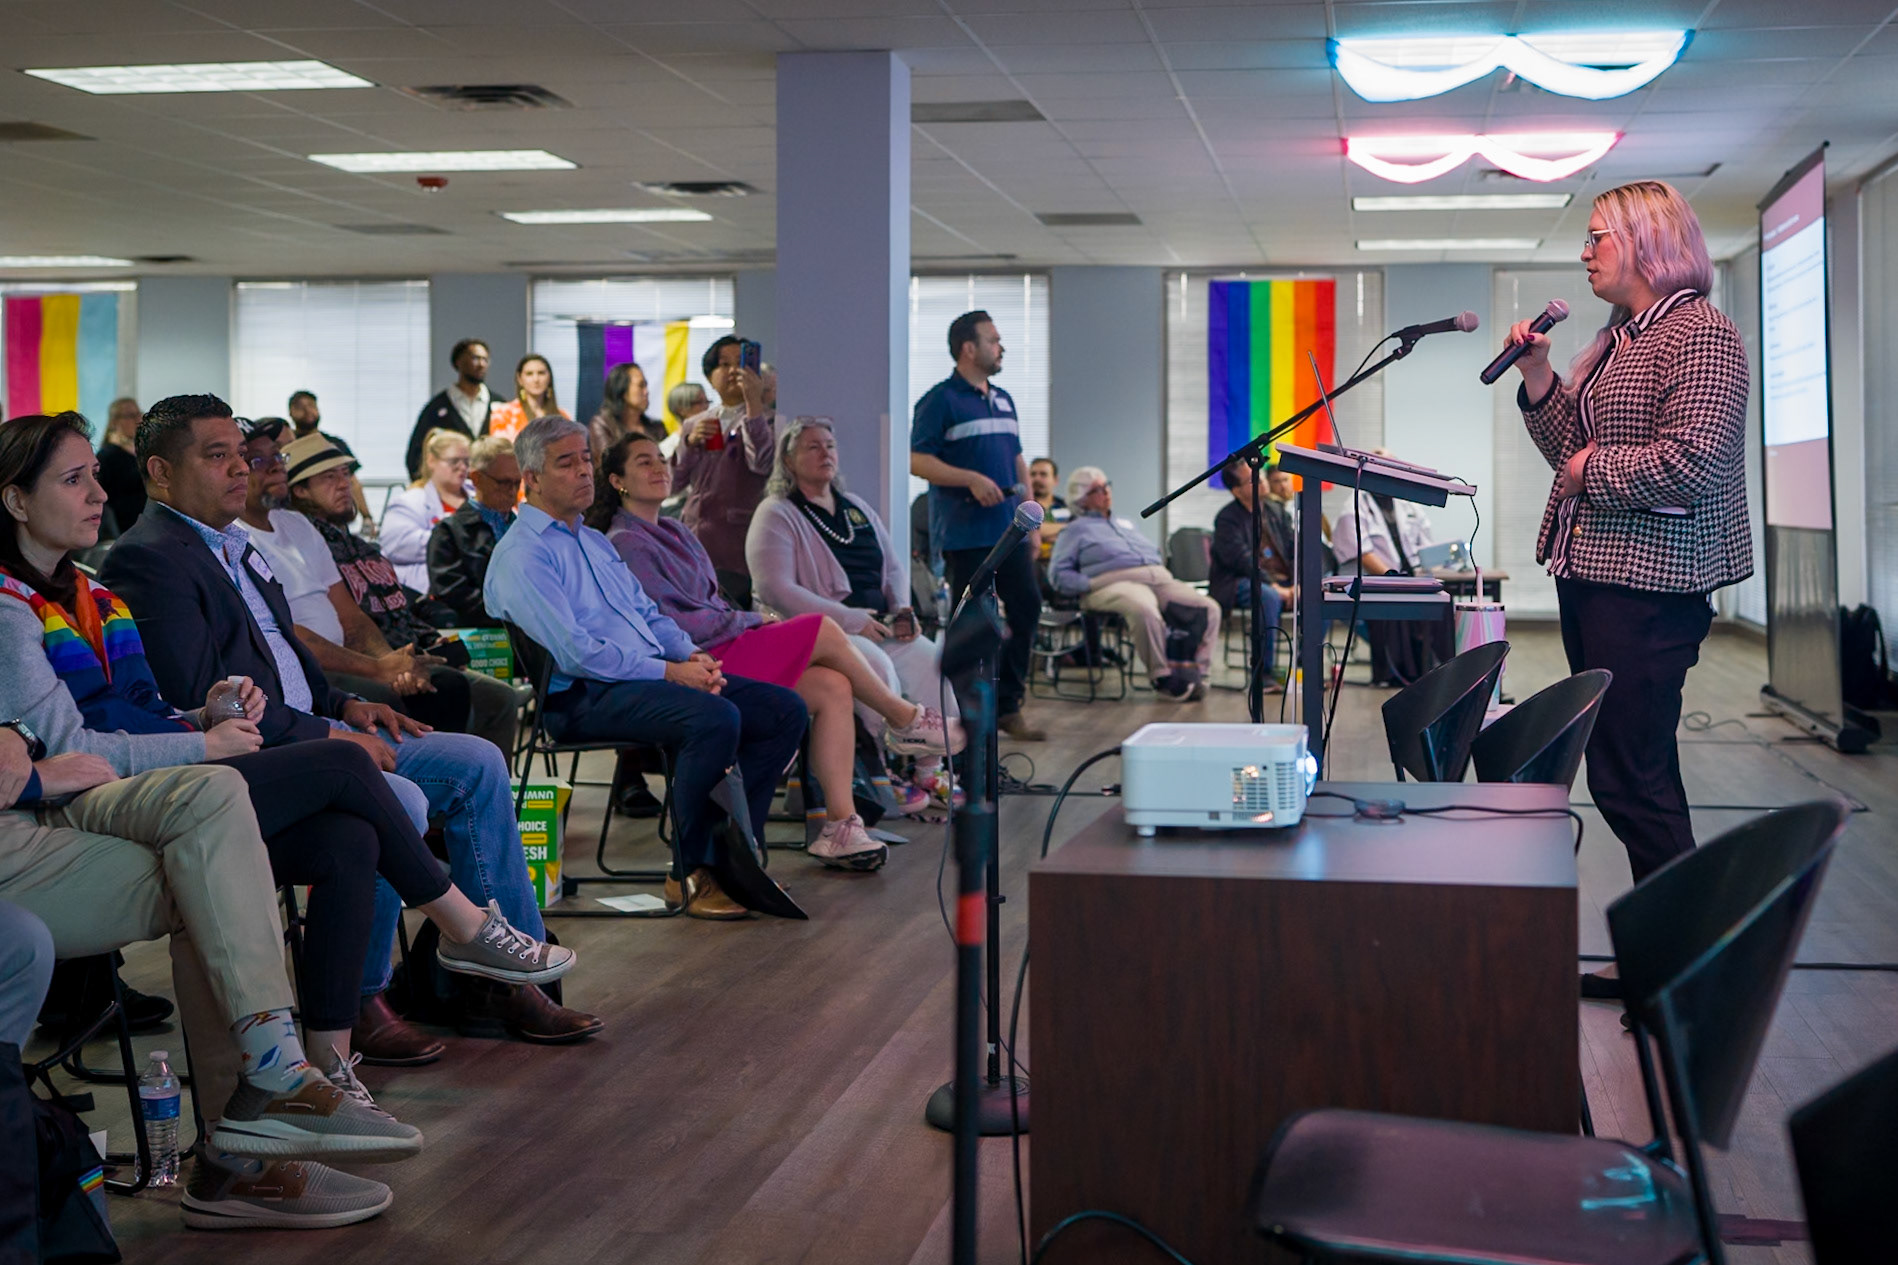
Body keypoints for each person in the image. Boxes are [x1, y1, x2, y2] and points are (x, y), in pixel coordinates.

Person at [0, 408, 573, 1088]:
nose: (99, 493)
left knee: (352, 836)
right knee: (348, 764)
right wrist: (207, 741)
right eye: (74, 480)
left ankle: (333, 1059)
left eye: (95, 474)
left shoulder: (96, 591)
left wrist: (210, 712)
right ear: (16, 500)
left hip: (175, 764)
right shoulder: (35, 598)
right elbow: (73, 752)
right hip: (113, 797)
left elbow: (151, 706)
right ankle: (464, 929)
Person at [0, 734, 410, 1230]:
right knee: (213, 852)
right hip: (32, 811)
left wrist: (21, 738)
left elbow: (48, 727)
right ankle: (250, 1131)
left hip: (40, 807)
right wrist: (37, 771)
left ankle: (258, 1106)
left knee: (216, 815)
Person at [1503, 180, 1749, 997]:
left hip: (1651, 589)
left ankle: (1682, 963)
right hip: (1599, 578)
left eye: (1597, 236)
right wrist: (1540, 374)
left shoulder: (1701, 334)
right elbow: (1569, 452)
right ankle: (1670, 954)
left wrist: (1589, 468)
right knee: (1627, 771)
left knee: (1630, 776)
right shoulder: (1622, 338)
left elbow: (1693, 462)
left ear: (1647, 241)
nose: (1585, 253)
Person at [485, 416, 809, 920]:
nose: (583, 471)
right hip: (580, 698)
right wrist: (669, 673)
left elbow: (648, 615)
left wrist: (691, 656)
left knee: (783, 709)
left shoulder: (592, 541)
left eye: (586, 459)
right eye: (566, 463)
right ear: (532, 478)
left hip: (638, 678)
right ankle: (689, 871)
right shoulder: (524, 555)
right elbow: (576, 654)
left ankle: (736, 858)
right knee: (713, 717)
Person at [597, 431, 961, 861]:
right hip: (697, 659)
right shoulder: (626, 542)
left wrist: (746, 622)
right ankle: (904, 720)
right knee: (823, 628)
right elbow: (675, 623)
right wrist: (751, 620)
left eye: (661, 458)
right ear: (617, 480)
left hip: (727, 640)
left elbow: (712, 602)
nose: (659, 467)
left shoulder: (675, 529)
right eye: (644, 462)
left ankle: (840, 826)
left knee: (833, 687)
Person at [748, 417, 965, 806]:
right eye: (813, 446)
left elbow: (893, 567)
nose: (825, 453)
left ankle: (928, 769)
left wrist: (901, 609)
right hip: (824, 633)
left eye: (830, 445)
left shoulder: (856, 508)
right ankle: (880, 773)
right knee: (875, 668)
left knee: (933, 663)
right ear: (788, 460)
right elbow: (774, 589)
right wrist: (849, 619)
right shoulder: (776, 512)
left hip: (878, 625)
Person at [282, 431, 524, 754]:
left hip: (408, 649)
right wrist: (389, 665)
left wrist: (430, 637)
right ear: (299, 489)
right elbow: (348, 624)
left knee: (499, 696)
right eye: (329, 477)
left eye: (345, 474)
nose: (344, 484)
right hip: (370, 660)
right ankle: (448, 777)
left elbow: (397, 604)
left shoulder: (360, 546)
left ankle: (490, 783)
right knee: (449, 688)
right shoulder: (305, 546)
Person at [910, 310, 1044, 740]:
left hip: (1009, 531)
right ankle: (965, 719)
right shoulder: (939, 400)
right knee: (972, 628)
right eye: (993, 340)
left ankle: (1007, 706)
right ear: (969, 348)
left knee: (1027, 608)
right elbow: (916, 460)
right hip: (966, 536)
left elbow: (1018, 459)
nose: (1001, 347)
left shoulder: (1003, 398)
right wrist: (969, 478)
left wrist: (1032, 518)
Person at [1049, 466, 1222, 700]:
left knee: (1209, 608)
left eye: (1106, 486)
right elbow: (1058, 575)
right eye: (1096, 490)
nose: (1106, 492)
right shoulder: (1074, 530)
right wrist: (1090, 583)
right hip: (1110, 585)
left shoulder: (1125, 522)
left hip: (1158, 578)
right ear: (1081, 499)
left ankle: (1196, 673)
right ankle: (1162, 676)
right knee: (1144, 609)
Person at [1330, 453, 1451, 687]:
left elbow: (1424, 544)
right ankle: (1399, 675)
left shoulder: (1408, 504)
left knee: (1443, 601)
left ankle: (1441, 669)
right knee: (1397, 600)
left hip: (1409, 575)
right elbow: (1361, 552)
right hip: (1374, 579)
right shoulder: (1354, 505)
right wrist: (1393, 579)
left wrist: (1434, 565)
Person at [671, 336, 774, 583]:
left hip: (739, 538)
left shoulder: (770, 420)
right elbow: (673, 483)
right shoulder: (695, 423)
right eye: (724, 364)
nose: (733, 371)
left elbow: (762, 463)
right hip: (695, 533)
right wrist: (689, 444)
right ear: (710, 377)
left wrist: (753, 403)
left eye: (740, 363)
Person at [1210, 459, 1291, 687]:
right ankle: (1263, 674)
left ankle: (1305, 667)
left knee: (1318, 591)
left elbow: (1294, 548)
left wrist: (1299, 582)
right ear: (1236, 491)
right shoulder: (1227, 519)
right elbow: (1242, 560)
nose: (1261, 481)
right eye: (1252, 480)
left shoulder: (1276, 511)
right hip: (1239, 582)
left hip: (1282, 581)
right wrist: (1274, 586)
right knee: (1268, 596)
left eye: (1260, 476)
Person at [427, 435, 518, 629]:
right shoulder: (448, 533)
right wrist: (512, 614)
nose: (512, 491)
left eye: (517, 483)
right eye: (503, 483)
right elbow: (453, 593)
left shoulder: (525, 529)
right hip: (479, 635)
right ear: (477, 478)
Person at [381, 428, 471, 592]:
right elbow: (397, 546)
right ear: (431, 461)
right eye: (454, 461)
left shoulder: (480, 496)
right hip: (428, 593)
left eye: (467, 461)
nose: (463, 467)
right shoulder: (408, 502)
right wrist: (462, 541)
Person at [285, 393, 374, 535]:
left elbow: (353, 482)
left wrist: (367, 516)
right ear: (291, 412)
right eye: (301, 407)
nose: (308, 411)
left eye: (311, 406)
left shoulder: (333, 444)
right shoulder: (288, 448)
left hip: (336, 526)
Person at [408, 338, 493, 478]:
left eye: (485, 359)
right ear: (458, 362)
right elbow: (415, 455)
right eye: (475, 358)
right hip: (448, 486)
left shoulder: (499, 406)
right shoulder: (437, 408)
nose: (481, 364)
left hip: (491, 486)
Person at [589, 361, 664, 465]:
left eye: (646, 385)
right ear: (622, 389)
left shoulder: (657, 427)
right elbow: (607, 465)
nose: (646, 391)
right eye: (641, 385)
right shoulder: (602, 425)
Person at [485, 353, 569, 445]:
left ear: (549, 378)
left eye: (541, 373)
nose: (536, 379)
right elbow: (500, 450)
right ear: (520, 379)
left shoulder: (563, 416)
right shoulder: (503, 414)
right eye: (529, 374)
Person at [94, 395, 145, 536]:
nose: (137, 420)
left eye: (138, 414)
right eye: (130, 416)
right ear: (115, 421)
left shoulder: (142, 451)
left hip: (144, 524)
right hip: (123, 529)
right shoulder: (107, 456)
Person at [1026, 456, 1070, 557]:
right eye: (1033, 474)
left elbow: (1077, 533)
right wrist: (1067, 527)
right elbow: (1029, 532)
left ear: (1055, 480)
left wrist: (1043, 533)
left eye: (1043, 474)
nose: (1037, 478)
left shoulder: (1066, 506)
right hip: (1032, 562)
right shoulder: (1024, 506)